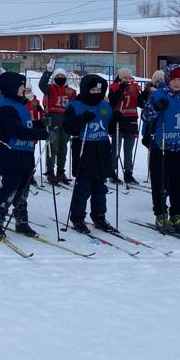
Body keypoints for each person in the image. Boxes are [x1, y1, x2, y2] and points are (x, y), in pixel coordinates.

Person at [0, 71, 47, 239]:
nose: (24, 89)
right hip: (10, 152)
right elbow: (17, 130)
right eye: (21, 86)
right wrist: (42, 134)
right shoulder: (6, 106)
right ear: (11, 87)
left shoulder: (19, 104)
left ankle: (21, 220)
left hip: (25, 152)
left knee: (23, 189)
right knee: (10, 187)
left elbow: (25, 125)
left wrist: (40, 124)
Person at [140, 64, 180, 233]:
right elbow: (145, 116)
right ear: (167, 80)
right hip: (162, 146)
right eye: (173, 79)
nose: (177, 83)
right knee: (160, 183)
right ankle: (161, 215)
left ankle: (177, 216)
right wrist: (156, 108)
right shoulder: (158, 95)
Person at [62, 74, 115, 233]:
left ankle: (99, 216)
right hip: (84, 148)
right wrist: (82, 119)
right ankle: (78, 217)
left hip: (102, 149)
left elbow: (110, 127)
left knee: (100, 188)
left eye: (99, 90)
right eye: (92, 90)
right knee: (83, 187)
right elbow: (68, 128)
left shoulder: (105, 106)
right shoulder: (75, 105)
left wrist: (117, 120)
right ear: (85, 89)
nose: (96, 93)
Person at [38, 61, 75, 184]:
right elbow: (41, 85)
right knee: (52, 147)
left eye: (62, 76)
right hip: (53, 121)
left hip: (65, 122)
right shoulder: (50, 88)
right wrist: (48, 72)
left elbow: (74, 106)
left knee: (63, 149)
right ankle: (50, 171)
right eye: (57, 76)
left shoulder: (71, 91)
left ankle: (60, 170)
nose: (60, 78)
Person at [108, 68, 141, 185]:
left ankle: (128, 173)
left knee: (128, 150)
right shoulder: (114, 87)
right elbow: (112, 102)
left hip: (131, 122)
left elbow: (140, 103)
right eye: (124, 78)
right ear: (120, 78)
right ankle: (112, 172)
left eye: (129, 78)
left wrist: (145, 94)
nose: (127, 80)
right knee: (115, 149)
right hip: (118, 121)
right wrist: (121, 89)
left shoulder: (135, 88)